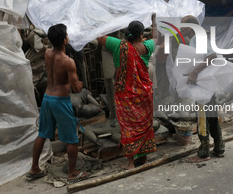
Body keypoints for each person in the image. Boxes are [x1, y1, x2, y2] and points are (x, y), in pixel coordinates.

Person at [26, 24, 89, 183]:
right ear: (64, 40)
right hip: (60, 101)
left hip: (48, 98)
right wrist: (79, 83)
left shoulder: (47, 53)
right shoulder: (68, 62)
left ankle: (34, 168)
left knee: (42, 134)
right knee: (72, 139)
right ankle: (72, 173)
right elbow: (75, 88)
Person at [97, 17, 157, 169]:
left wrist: (109, 19)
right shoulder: (147, 46)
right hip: (144, 94)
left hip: (126, 95)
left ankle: (130, 162)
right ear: (141, 35)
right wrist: (154, 20)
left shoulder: (118, 45)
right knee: (143, 126)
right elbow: (156, 37)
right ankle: (143, 158)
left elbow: (99, 36)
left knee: (128, 128)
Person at [174, 15, 225, 163]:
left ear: (190, 27)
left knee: (202, 117)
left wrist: (195, 72)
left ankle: (203, 152)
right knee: (212, 115)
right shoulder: (197, 38)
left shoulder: (197, 38)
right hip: (208, 83)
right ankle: (219, 148)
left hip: (203, 86)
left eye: (183, 26)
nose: (181, 29)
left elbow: (212, 56)